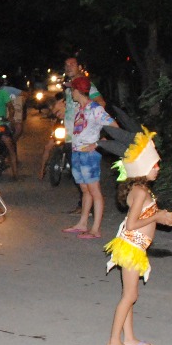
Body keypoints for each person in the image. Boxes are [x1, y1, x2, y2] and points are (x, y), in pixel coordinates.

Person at [97, 117, 172, 345]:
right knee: (130, 296)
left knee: (130, 294)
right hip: (131, 246)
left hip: (137, 247)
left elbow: (141, 218)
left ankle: (130, 337)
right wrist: (158, 216)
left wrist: (160, 217)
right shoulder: (140, 191)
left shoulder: (142, 189)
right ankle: (114, 341)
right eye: (155, 165)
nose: (158, 168)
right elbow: (133, 224)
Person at [62, 77, 114, 239]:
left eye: (72, 89)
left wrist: (98, 144)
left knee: (94, 190)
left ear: (77, 91)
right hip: (77, 151)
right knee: (85, 190)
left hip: (89, 155)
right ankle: (83, 223)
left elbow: (114, 127)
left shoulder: (95, 109)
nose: (71, 92)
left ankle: (95, 229)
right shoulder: (81, 108)